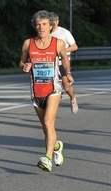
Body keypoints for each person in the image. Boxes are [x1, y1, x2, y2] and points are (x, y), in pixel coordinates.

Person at [19, 10, 74, 172]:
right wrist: (25, 67)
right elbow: (21, 63)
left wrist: (68, 74)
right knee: (46, 127)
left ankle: (47, 158)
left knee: (49, 123)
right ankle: (57, 146)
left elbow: (64, 60)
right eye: (38, 24)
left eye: (44, 24)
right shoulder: (28, 43)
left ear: (50, 26)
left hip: (53, 88)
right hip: (36, 90)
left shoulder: (58, 43)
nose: (41, 27)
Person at [50, 12, 79, 114]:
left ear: (57, 21)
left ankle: (73, 98)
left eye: (53, 21)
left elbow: (75, 46)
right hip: (51, 64)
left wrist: (62, 51)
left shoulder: (64, 32)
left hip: (63, 62)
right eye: (50, 21)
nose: (52, 23)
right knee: (51, 87)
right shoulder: (46, 33)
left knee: (66, 86)